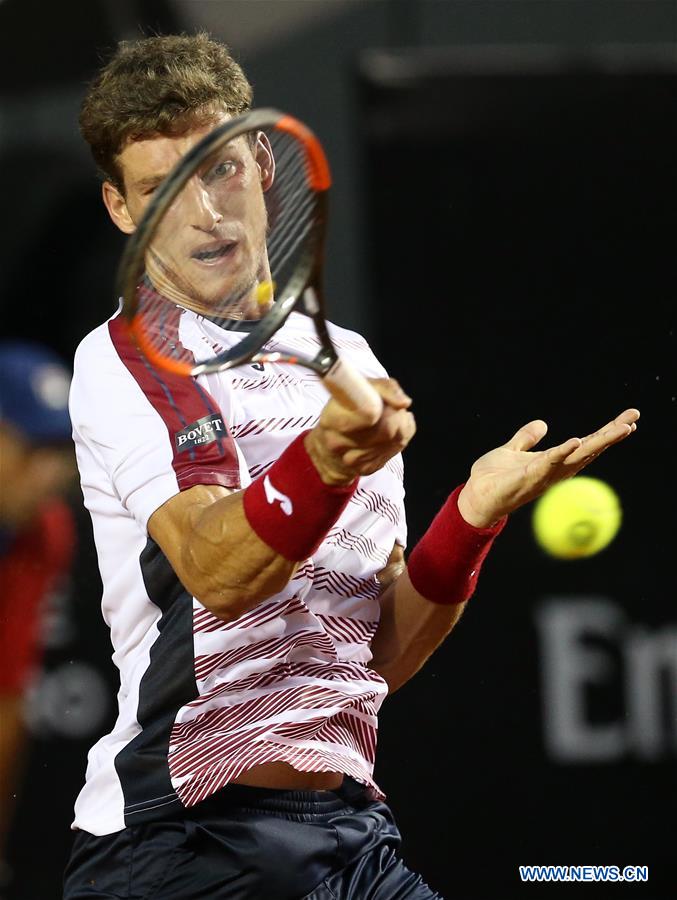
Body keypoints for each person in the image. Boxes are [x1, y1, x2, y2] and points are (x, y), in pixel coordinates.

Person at [63, 33, 639, 899]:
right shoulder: (126, 362)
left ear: (261, 162)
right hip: (179, 845)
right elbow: (219, 570)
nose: (204, 215)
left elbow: (370, 657)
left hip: (348, 836)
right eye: (160, 192)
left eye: (218, 170)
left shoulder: (351, 361)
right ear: (121, 210)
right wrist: (326, 460)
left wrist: (469, 521)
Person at [0, 341, 76, 889]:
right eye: (32, 446)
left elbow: (6, 698)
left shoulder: (43, 532)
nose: (51, 472)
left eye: (62, 450)